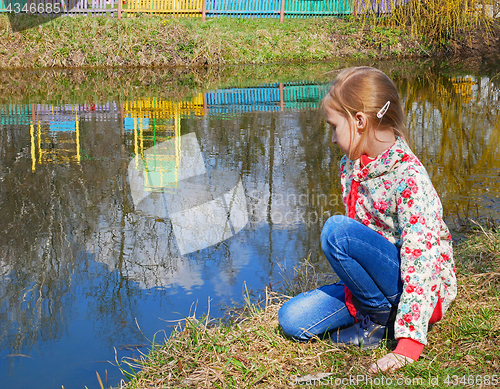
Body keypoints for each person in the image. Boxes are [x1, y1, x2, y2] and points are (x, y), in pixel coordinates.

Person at [278, 66, 457, 372]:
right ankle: (379, 317)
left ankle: (377, 322)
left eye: (334, 126)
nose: (333, 138)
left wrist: (409, 346)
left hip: (416, 287)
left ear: (359, 121)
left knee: (337, 231)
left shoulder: (409, 178)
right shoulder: (353, 167)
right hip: (378, 287)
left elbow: (422, 259)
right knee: (293, 319)